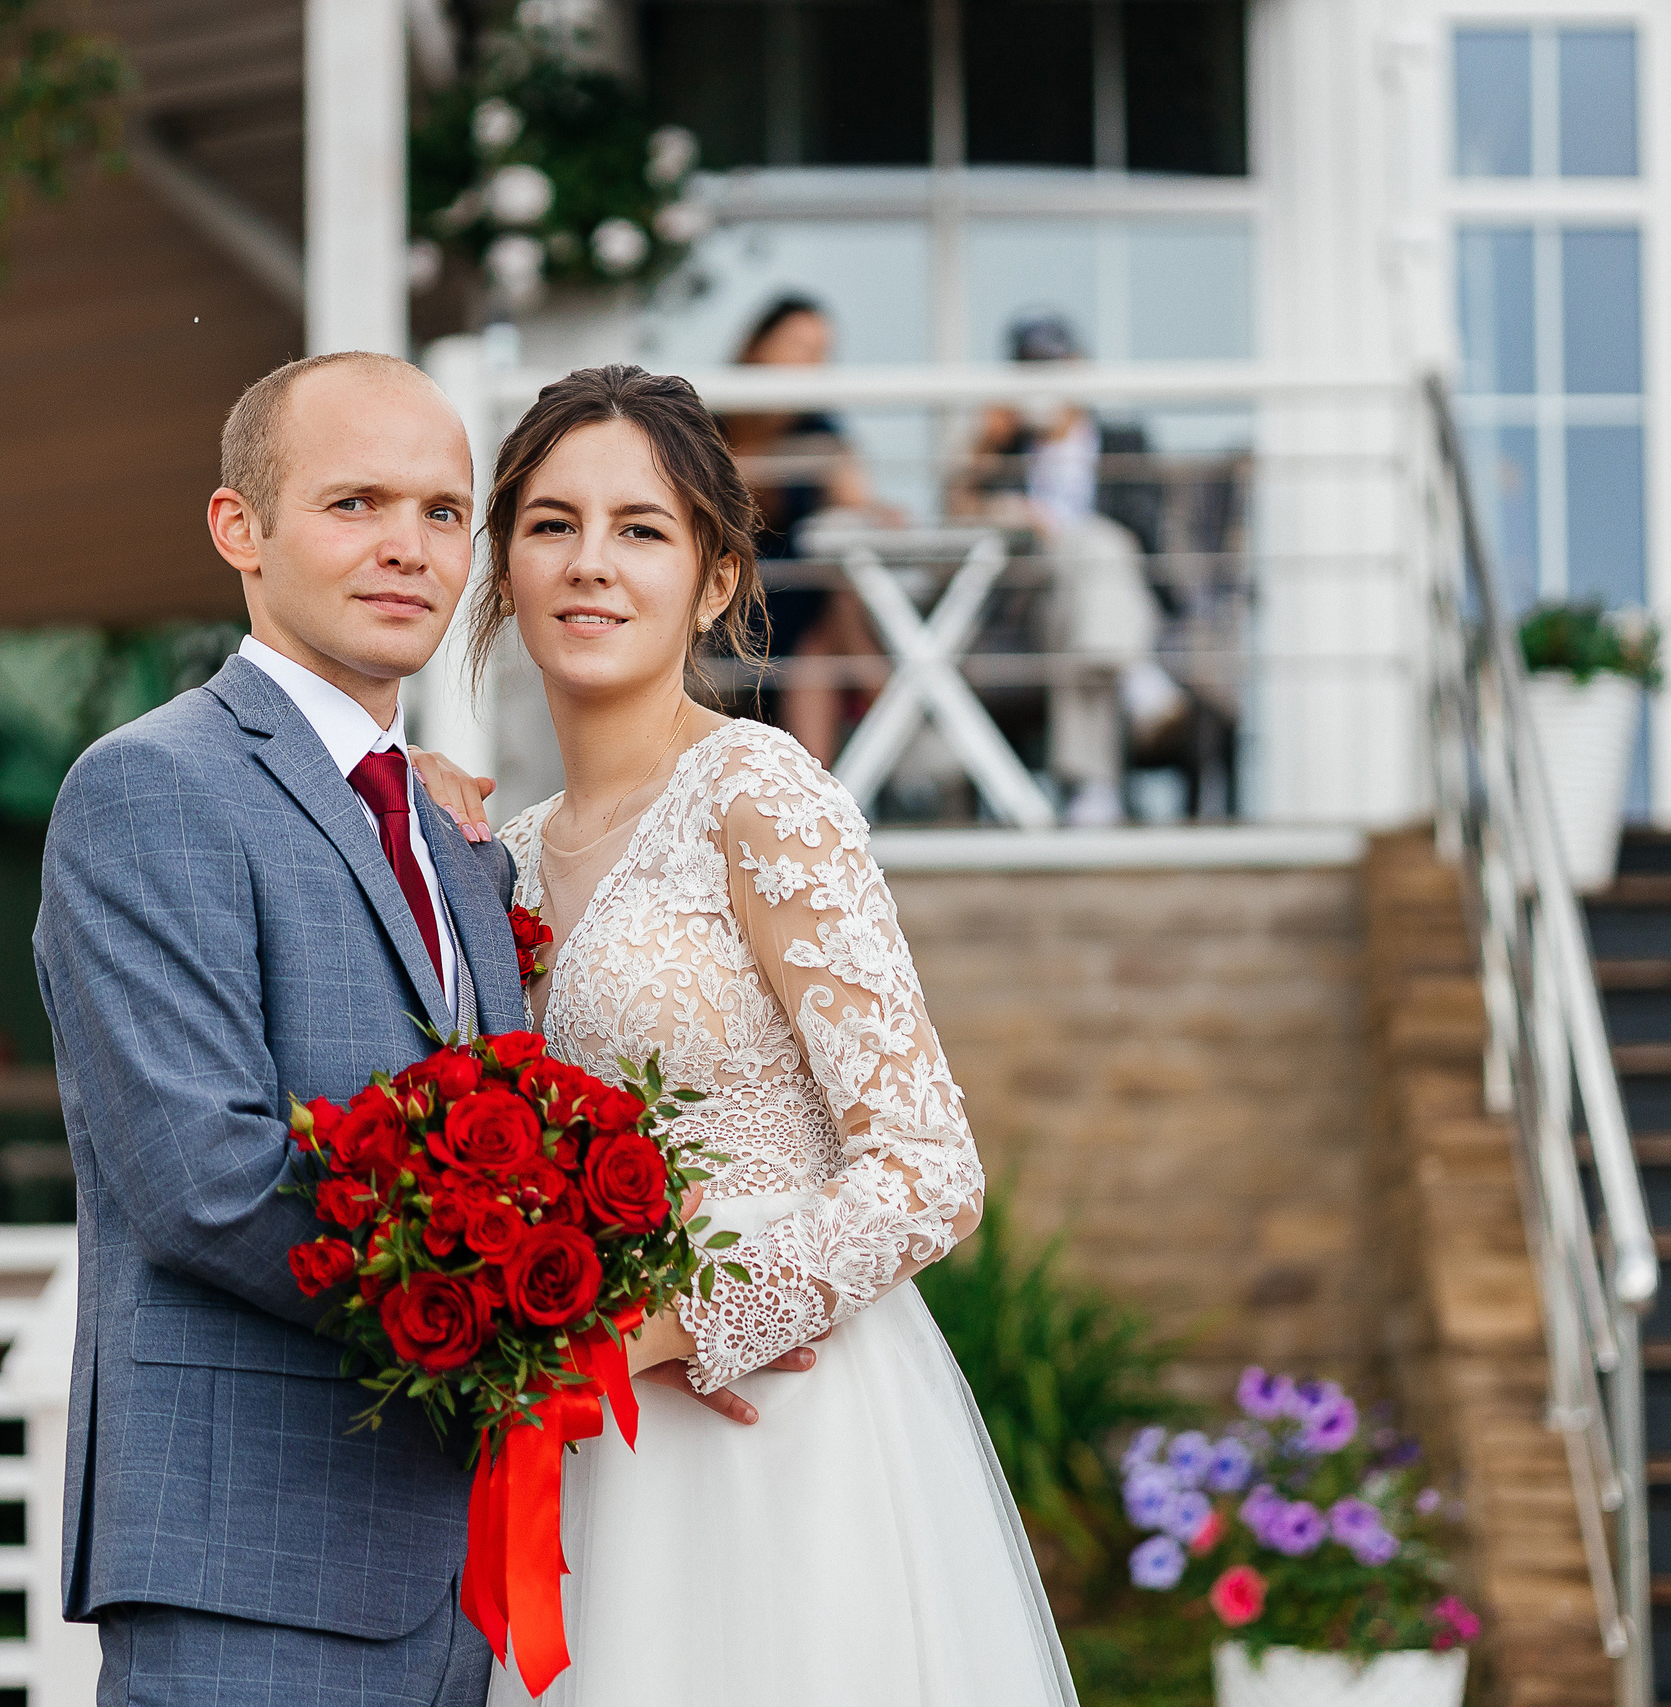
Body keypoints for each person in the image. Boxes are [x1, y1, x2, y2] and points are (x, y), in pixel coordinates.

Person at [31, 351, 804, 1707]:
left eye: (444, 512)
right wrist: (566, 1316)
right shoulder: (150, 787)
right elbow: (202, 1179)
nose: (408, 547)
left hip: (469, 1566)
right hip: (250, 1555)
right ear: (240, 529)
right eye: (354, 503)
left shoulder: (456, 842)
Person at [420, 365, 1073, 1706]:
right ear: (503, 564)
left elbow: (929, 1173)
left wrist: (660, 1324)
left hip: (783, 1431)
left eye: (640, 529)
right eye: (551, 524)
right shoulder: (501, 853)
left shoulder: (760, 794)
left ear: (715, 576)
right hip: (593, 1457)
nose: (589, 564)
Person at [950, 309, 1194, 825]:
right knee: (1083, 590)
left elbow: (1142, 529)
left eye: (1055, 369)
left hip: (1117, 595)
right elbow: (957, 518)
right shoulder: (1006, 451)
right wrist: (984, 447)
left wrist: (1060, 528)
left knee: (1093, 567)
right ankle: (1137, 679)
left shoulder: (1124, 441)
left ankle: (1093, 789)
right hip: (1033, 604)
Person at [715, 296, 891, 765]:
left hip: (802, 602)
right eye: (798, 347)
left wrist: (875, 510)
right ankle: (896, 703)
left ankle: (818, 791)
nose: (809, 364)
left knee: (823, 620)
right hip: (730, 598)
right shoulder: (708, 426)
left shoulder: (820, 430)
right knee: (826, 609)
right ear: (757, 348)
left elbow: (857, 500)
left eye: (820, 353)